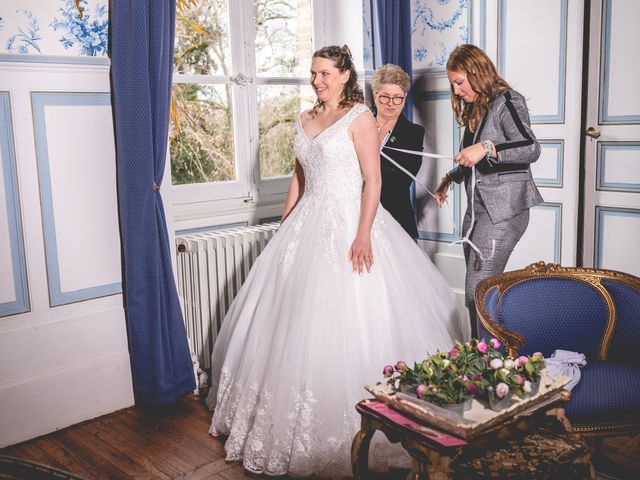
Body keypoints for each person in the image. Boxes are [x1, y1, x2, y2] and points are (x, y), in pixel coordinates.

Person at [206, 45, 463, 477]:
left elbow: (374, 179)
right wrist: (285, 226)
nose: (317, 80)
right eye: (313, 73)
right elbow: (299, 176)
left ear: (345, 76)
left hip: (352, 221)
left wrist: (363, 234)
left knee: (357, 316)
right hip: (307, 222)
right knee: (291, 323)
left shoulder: (359, 117)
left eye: (325, 73)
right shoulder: (304, 119)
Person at [434, 44, 543, 339]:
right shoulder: (475, 109)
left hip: (505, 210)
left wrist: (486, 147)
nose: (456, 91)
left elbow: (530, 147)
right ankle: (488, 356)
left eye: (459, 82)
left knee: (477, 289)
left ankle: (484, 360)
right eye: (452, 84)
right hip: (479, 210)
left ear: (477, 73)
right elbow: (471, 160)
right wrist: (449, 178)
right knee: (483, 289)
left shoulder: (508, 100)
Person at [372, 64, 424, 239]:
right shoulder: (359, 126)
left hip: (395, 216)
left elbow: (402, 180)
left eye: (397, 98)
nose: (391, 104)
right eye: (385, 97)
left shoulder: (414, 133)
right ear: (374, 95)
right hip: (356, 212)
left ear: (405, 97)